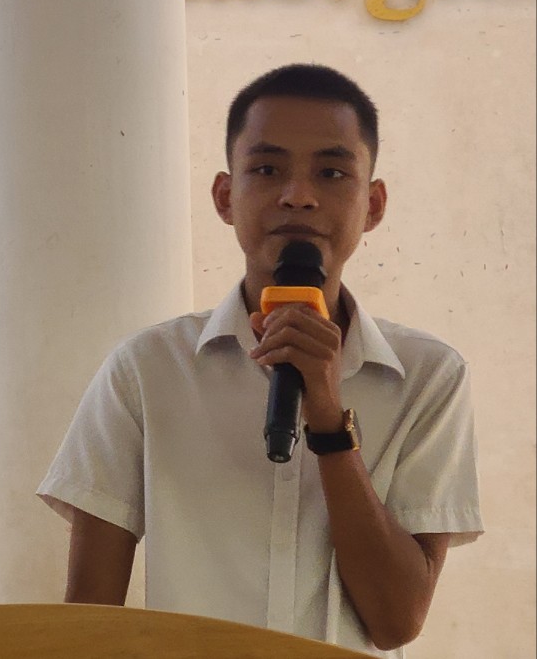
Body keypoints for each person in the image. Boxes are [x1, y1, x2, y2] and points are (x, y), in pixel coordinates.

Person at [37, 63, 482, 657]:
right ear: (225, 197)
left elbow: (396, 621)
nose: (298, 195)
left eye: (331, 172)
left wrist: (329, 420)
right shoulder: (147, 370)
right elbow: (89, 617)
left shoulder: (428, 378)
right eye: (267, 169)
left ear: (373, 205)